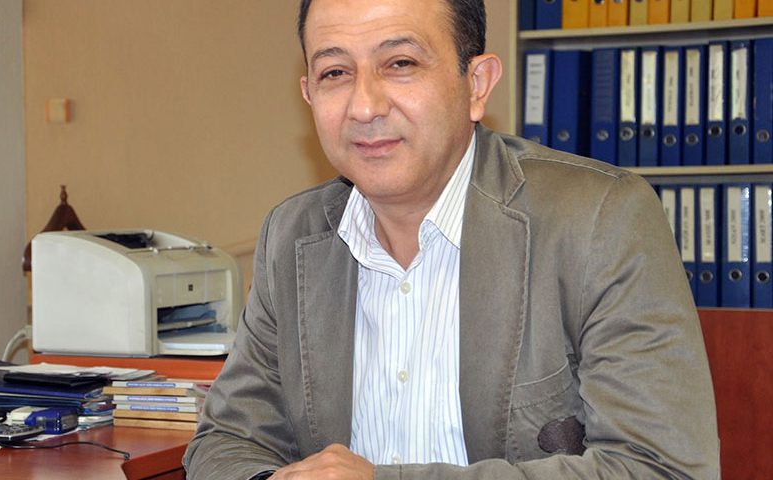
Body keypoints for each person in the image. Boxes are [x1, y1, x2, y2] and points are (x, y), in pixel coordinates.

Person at [184, 0, 720, 478]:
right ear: (308, 93)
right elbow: (226, 440)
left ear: (477, 84)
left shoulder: (599, 219)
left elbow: (659, 467)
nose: (364, 106)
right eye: (335, 73)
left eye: (400, 64)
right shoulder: (292, 237)